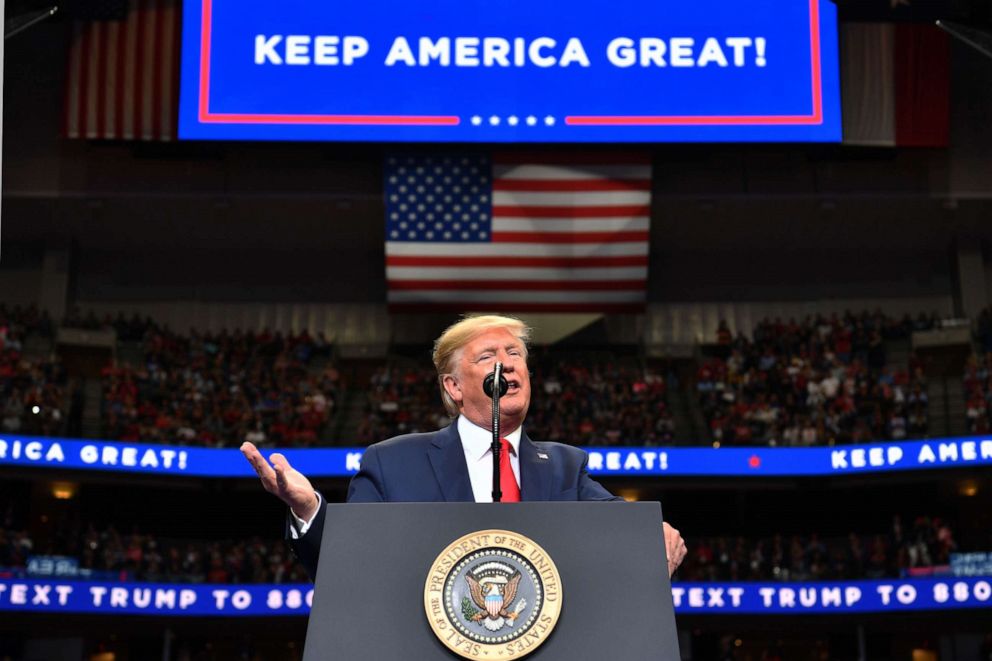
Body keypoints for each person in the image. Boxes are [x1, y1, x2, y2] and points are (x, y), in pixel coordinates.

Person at [241, 315, 687, 579]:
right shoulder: (392, 462)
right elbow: (348, 568)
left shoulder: (564, 467)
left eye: (515, 354)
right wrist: (309, 511)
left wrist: (651, 535)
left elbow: (619, 526)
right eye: (488, 356)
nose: (507, 364)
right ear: (454, 386)